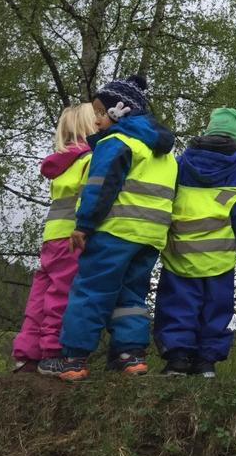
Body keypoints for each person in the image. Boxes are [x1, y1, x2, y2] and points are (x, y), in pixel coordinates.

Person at [40, 75, 177, 382]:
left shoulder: (116, 142)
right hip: (150, 237)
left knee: (91, 289)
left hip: (114, 231)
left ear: (120, 111)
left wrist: (84, 225)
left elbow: (100, 187)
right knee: (131, 295)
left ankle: (73, 358)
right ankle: (131, 357)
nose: (97, 120)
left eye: (101, 113)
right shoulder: (164, 153)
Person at [154, 108, 236, 378]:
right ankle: (206, 363)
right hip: (218, 260)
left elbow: (164, 202)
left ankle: (177, 359)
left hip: (180, 254)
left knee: (177, 307)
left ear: (209, 131)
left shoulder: (181, 163)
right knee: (215, 310)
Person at [12, 104, 97, 373]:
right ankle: (53, 352)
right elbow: (89, 201)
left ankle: (27, 353)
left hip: (51, 238)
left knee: (40, 295)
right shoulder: (88, 160)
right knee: (62, 295)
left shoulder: (61, 164)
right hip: (72, 237)